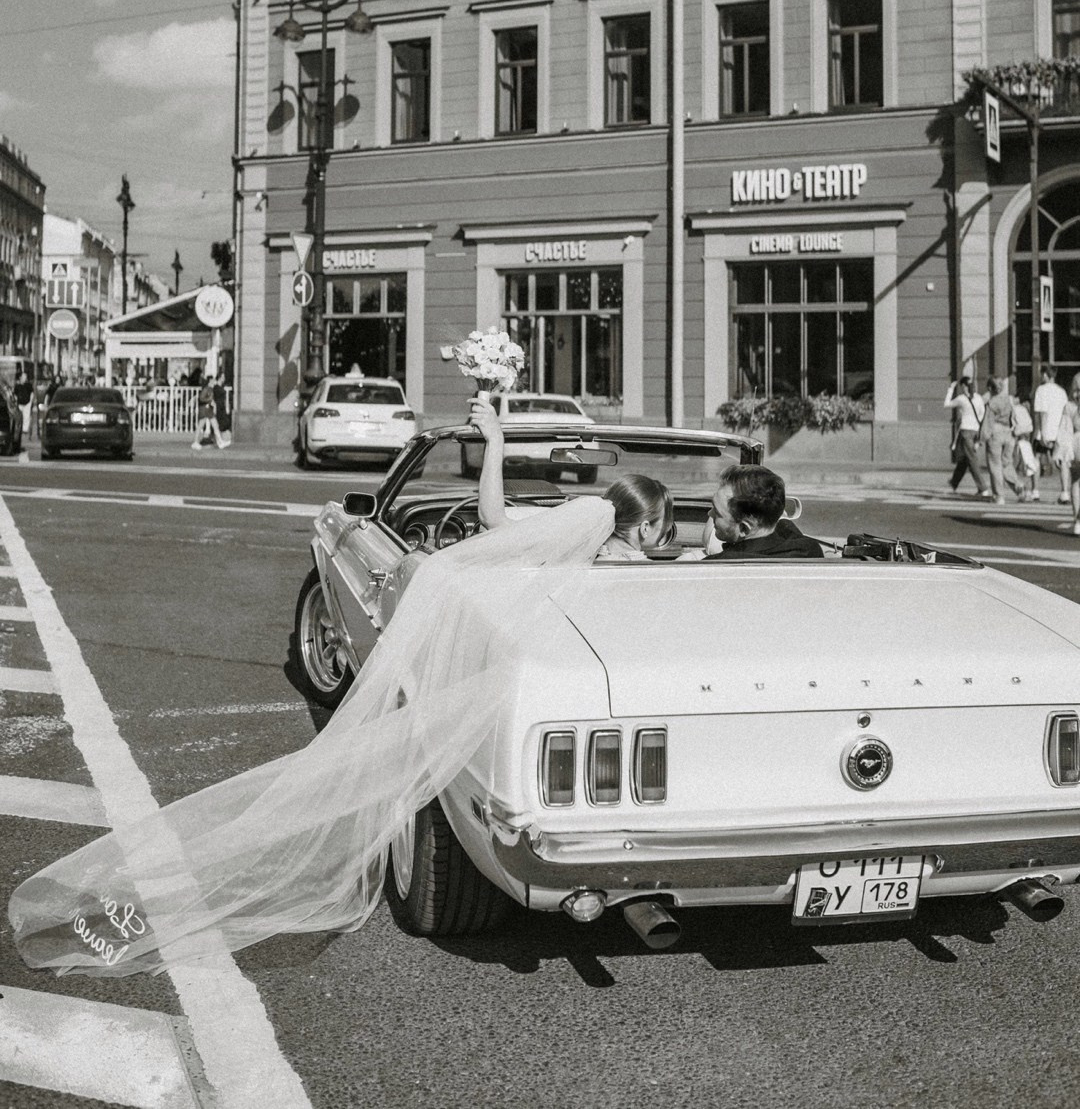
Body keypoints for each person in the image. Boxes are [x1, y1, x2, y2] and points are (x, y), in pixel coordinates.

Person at [7, 478, 616, 978]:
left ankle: (138, 895)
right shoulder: (633, 560)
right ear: (644, 528)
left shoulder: (505, 542)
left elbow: (487, 511)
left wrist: (491, 436)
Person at [471, 395, 672, 559]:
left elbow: (493, 519)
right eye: (665, 521)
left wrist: (495, 439)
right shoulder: (663, 574)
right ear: (645, 528)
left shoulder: (572, 549)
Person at [683, 464, 824, 560]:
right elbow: (788, 530)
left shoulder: (713, 567)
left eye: (717, 513)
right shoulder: (809, 551)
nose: (710, 514)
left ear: (744, 528)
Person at [944, 375, 990, 498]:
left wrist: (950, 389)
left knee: (972, 460)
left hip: (965, 432)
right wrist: (977, 425)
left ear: (964, 386)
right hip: (975, 431)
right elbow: (982, 413)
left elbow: (946, 404)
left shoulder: (961, 399)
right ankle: (954, 482)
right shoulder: (979, 398)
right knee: (965, 459)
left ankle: (983, 488)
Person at [981, 376, 1025, 505]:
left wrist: (982, 438)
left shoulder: (992, 402)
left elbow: (988, 422)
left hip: (996, 432)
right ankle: (1019, 487)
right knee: (1006, 463)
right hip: (1009, 433)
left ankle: (999, 496)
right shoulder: (1008, 400)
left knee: (995, 465)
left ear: (990, 388)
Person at [1034, 365, 1071, 504]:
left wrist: (1042, 433)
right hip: (1059, 431)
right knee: (1062, 462)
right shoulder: (1061, 391)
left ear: (1045, 375)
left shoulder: (1041, 390)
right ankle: (1065, 492)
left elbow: (1042, 413)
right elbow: (1065, 412)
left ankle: (1035, 491)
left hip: (1044, 431)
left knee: (1036, 459)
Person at [1052, 374, 1080, 537]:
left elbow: (1064, 431)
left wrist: (1060, 452)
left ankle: (1078, 521)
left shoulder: (1069, 406)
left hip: (1076, 443)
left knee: (1076, 481)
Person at [1011, 393, 1039, 502]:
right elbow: (1029, 427)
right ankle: (1032, 490)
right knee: (1029, 465)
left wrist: (1015, 433)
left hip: (1019, 440)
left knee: (1021, 467)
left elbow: (1019, 428)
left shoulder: (1016, 409)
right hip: (1025, 440)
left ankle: (1024, 491)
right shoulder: (1023, 409)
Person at [191, 378, 227, 450]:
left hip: (207, 409)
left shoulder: (209, 389)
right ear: (210, 382)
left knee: (214, 424)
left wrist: (210, 402)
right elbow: (201, 398)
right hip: (205, 409)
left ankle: (220, 441)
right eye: (213, 381)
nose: (215, 382)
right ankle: (195, 442)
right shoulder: (207, 389)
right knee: (202, 425)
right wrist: (209, 401)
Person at [13, 370, 33, 439]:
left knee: (26, 417)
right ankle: (18, 428)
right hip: (19, 403)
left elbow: (32, 393)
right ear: (20, 377)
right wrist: (16, 402)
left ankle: (25, 430)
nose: (25, 378)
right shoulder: (17, 386)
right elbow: (15, 395)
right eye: (24, 376)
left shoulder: (28, 385)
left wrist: (30, 401)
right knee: (18, 417)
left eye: (26, 377)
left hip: (27, 403)